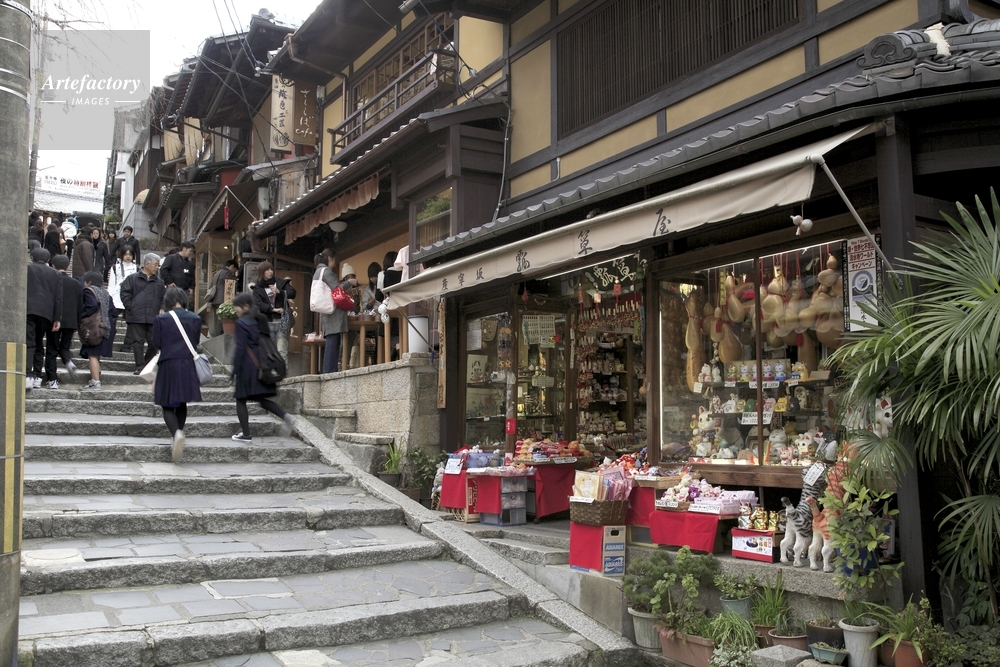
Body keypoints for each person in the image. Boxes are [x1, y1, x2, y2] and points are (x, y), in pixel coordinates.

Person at [229, 293, 294, 442]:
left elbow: (240, 348)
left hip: (247, 366)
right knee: (261, 398)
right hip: (263, 364)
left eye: (237, 306)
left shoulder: (241, 323)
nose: (235, 309)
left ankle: (246, 434)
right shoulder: (260, 319)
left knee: (240, 399)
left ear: (245, 306)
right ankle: (286, 416)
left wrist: (234, 370)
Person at [151, 287, 203, 461]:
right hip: (187, 363)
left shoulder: (161, 319)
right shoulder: (195, 318)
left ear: (168, 301)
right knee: (181, 402)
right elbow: (195, 342)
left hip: (168, 363)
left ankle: (176, 434)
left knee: (166, 403)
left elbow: (157, 342)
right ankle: (178, 434)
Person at [120, 253, 165, 374]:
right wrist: (130, 306)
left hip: (153, 316)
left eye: (158, 265)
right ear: (147, 264)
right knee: (137, 342)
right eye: (155, 265)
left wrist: (162, 308)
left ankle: (147, 363)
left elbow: (163, 297)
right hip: (136, 316)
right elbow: (124, 293)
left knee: (154, 343)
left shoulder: (159, 282)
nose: (157, 267)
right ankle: (139, 366)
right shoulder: (132, 278)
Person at [26, 248, 63, 390]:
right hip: (46, 313)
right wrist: (57, 318)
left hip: (29, 310)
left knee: (29, 341)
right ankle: (37, 375)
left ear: (32, 257)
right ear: (48, 260)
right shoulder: (56, 274)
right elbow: (58, 298)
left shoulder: (27, 269)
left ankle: (28, 374)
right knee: (39, 342)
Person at [314, 251, 356, 374]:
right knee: (333, 341)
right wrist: (350, 282)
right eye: (334, 261)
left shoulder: (318, 271)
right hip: (332, 312)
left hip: (326, 311)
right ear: (330, 258)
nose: (335, 265)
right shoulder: (326, 271)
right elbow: (337, 289)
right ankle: (329, 372)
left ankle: (330, 371)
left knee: (332, 340)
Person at [44, 254, 82, 388]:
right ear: (67, 266)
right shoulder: (76, 283)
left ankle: (52, 379)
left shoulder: (51, 281)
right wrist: (77, 323)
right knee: (65, 346)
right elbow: (80, 305)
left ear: (52, 265)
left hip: (54, 319)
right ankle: (68, 361)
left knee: (51, 349)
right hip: (71, 321)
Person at [250, 261, 295, 359]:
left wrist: (279, 291)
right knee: (266, 351)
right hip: (267, 323)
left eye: (271, 269)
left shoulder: (280, 282)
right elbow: (258, 304)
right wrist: (272, 309)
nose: (270, 272)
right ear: (261, 272)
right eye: (267, 270)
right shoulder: (257, 288)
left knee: (282, 351)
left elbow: (293, 293)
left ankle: (283, 369)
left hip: (282, 322)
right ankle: (268, 369)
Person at [78, 271, 115, 391]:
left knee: (92, 354)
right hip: (106, 327)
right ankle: (95, 378)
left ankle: (95, 382)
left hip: (94, 329)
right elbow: (113, 311)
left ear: (88, 281)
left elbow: (92, 306)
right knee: (96, 353)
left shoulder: (89, 291)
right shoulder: (105, 293)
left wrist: (82, 316)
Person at [160, 240, 195, 307]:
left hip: (185, 290)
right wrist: (169, 282)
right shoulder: (171, 258)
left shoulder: (189, 264)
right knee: (171, 306)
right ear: (184, 248)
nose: (191, 253)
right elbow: (163, 270)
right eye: (190, 251)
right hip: (173, 288)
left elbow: (192, 277)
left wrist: (191, 287)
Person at [208, 259, 238, 336]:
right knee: (222, 321)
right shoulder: (227, 273)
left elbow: (210, 286)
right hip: (222, 300)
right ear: (232, 266)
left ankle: (216, 336)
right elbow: (232, 285)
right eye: (235, 270)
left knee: (216, 320)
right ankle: (220, 338)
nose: (234, 272)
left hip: (215, 300)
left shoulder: (217, 273)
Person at [107, 248, 138, 324]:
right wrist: (110, 297)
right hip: (117, 296)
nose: (128, 256)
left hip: (130, 297)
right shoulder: (115, 267)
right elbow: (111, 285)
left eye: (130, 254)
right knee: (112, 320)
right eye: (126, 254)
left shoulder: (136, 268)